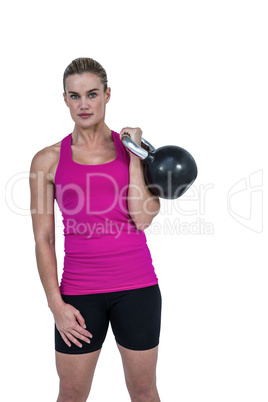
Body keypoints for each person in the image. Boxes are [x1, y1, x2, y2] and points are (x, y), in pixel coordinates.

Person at [29, 57, 162, 402]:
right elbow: (43, 238)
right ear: (65, 99)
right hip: (78, 294)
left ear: (107, 95)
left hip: (137, 289)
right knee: (71, 392)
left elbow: (144, 216)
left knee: (144, 391)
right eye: (75, 96)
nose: (84, 104)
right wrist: (55, 304)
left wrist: (135, 155)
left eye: (92, 94)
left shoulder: (133, 150)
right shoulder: (48, 160)